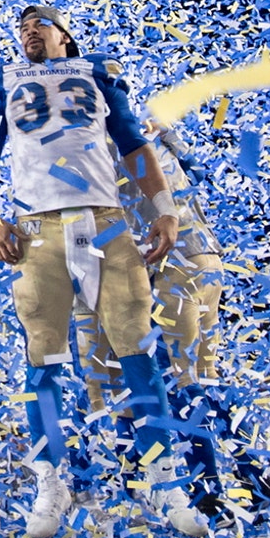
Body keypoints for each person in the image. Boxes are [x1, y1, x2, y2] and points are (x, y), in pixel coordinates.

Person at [0, 6, 208, 538]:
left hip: (106, 223)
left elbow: (132, 142)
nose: (28, 29)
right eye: (22, 25)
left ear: (65, 34)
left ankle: (165, 482)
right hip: (35, 229)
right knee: (45, 361)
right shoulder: (2, 78)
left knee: (138, 353)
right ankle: (50, 484)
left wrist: (166, 208)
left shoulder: (97, 70)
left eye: (40, 23)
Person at [81, 119, 230, 511]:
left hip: (172, 265)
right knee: (201, 379)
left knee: (167, 379)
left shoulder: (105, 145)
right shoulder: (151, 133)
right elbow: (199, 175)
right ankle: (247, 479)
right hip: (207, 260)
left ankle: (204, 497)